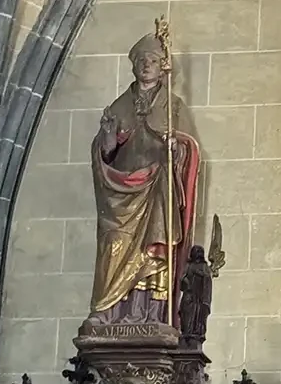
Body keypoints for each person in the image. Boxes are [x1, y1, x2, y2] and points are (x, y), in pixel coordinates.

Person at [84, 34, 199, 333]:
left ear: (162, 68)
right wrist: (107, 139)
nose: (147, 65)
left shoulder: (173, 106)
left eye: (153, 61)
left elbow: (188, 149)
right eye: (141, 61)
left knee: (155, 248)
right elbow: (105, 153)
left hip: (157, 188)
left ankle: (150, 312)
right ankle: (108, 310)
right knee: (114, 243)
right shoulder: (118, 107)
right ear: (134, 66)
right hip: (121, 193)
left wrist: (177, 149)